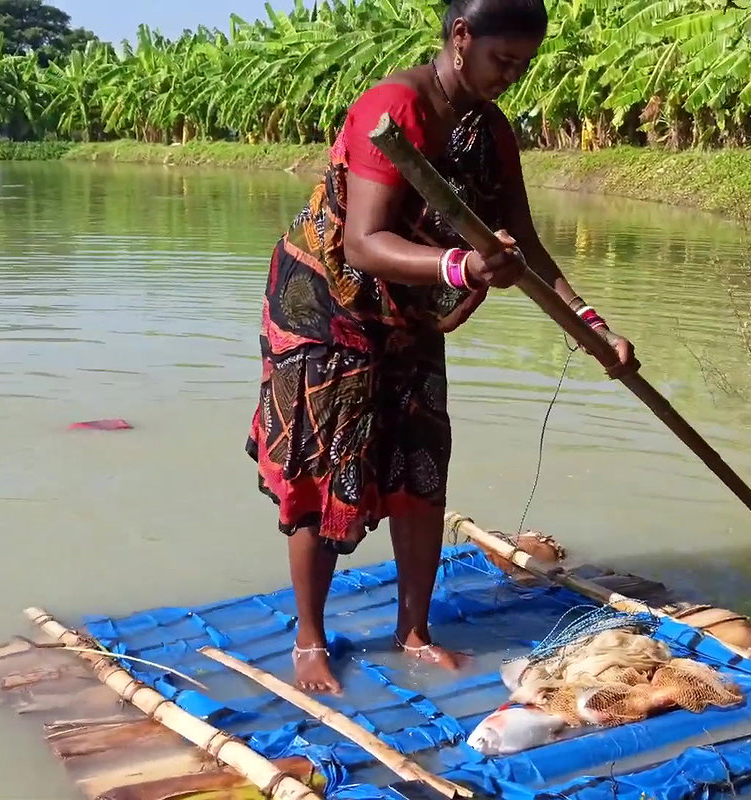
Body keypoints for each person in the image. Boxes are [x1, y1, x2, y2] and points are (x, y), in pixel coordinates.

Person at [244, 0, 637, 695]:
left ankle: (414, 630)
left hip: (409, 312)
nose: (511, 77)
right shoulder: (392, 110)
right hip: (326, 307)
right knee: (321, 470)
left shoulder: (489, 130)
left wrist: (592, 325)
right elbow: (365, 241)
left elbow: (526, 241)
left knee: (421, 461)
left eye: (522, 65)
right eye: (501, 61)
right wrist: (460, 268)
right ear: (461, 37)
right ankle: (309, 639)